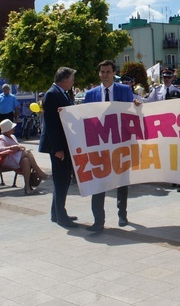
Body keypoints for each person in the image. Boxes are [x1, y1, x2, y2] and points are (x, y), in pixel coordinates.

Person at [83, 60, 141, 231]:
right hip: (99, 144)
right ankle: (98, 220)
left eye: (108, 72)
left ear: (114, 73)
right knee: (98, 180)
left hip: (120, 142)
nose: (105, 75)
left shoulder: (124, 90)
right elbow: (85, 117)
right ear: (99, 73)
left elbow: (130, 113)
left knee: (122, 180)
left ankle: (122, 214)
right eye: (102, 72)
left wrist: (136, 105)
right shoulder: (90, 94)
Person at [39, 67, 79, 228]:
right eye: (71, 79)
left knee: (62, 180)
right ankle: (61, 217)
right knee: (62, 180)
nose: (73, 82)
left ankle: (57, 213)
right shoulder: (51, 95)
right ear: (64, 81)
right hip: (58, 147)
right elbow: (51, 125)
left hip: (64, 144)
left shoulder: (62, 93)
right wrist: (57, 149)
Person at [0, 119, 50, 195]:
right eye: (12, 128)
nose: (13, 129)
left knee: (25, 160)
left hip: (15, 158)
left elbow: (17, 147)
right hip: (7, 159)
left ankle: (27, 187)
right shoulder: (2, 137)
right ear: (7, 129)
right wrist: (11, 147)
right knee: (27, 152)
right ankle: (39, 172)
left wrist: (19, 147)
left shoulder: (13, 136)